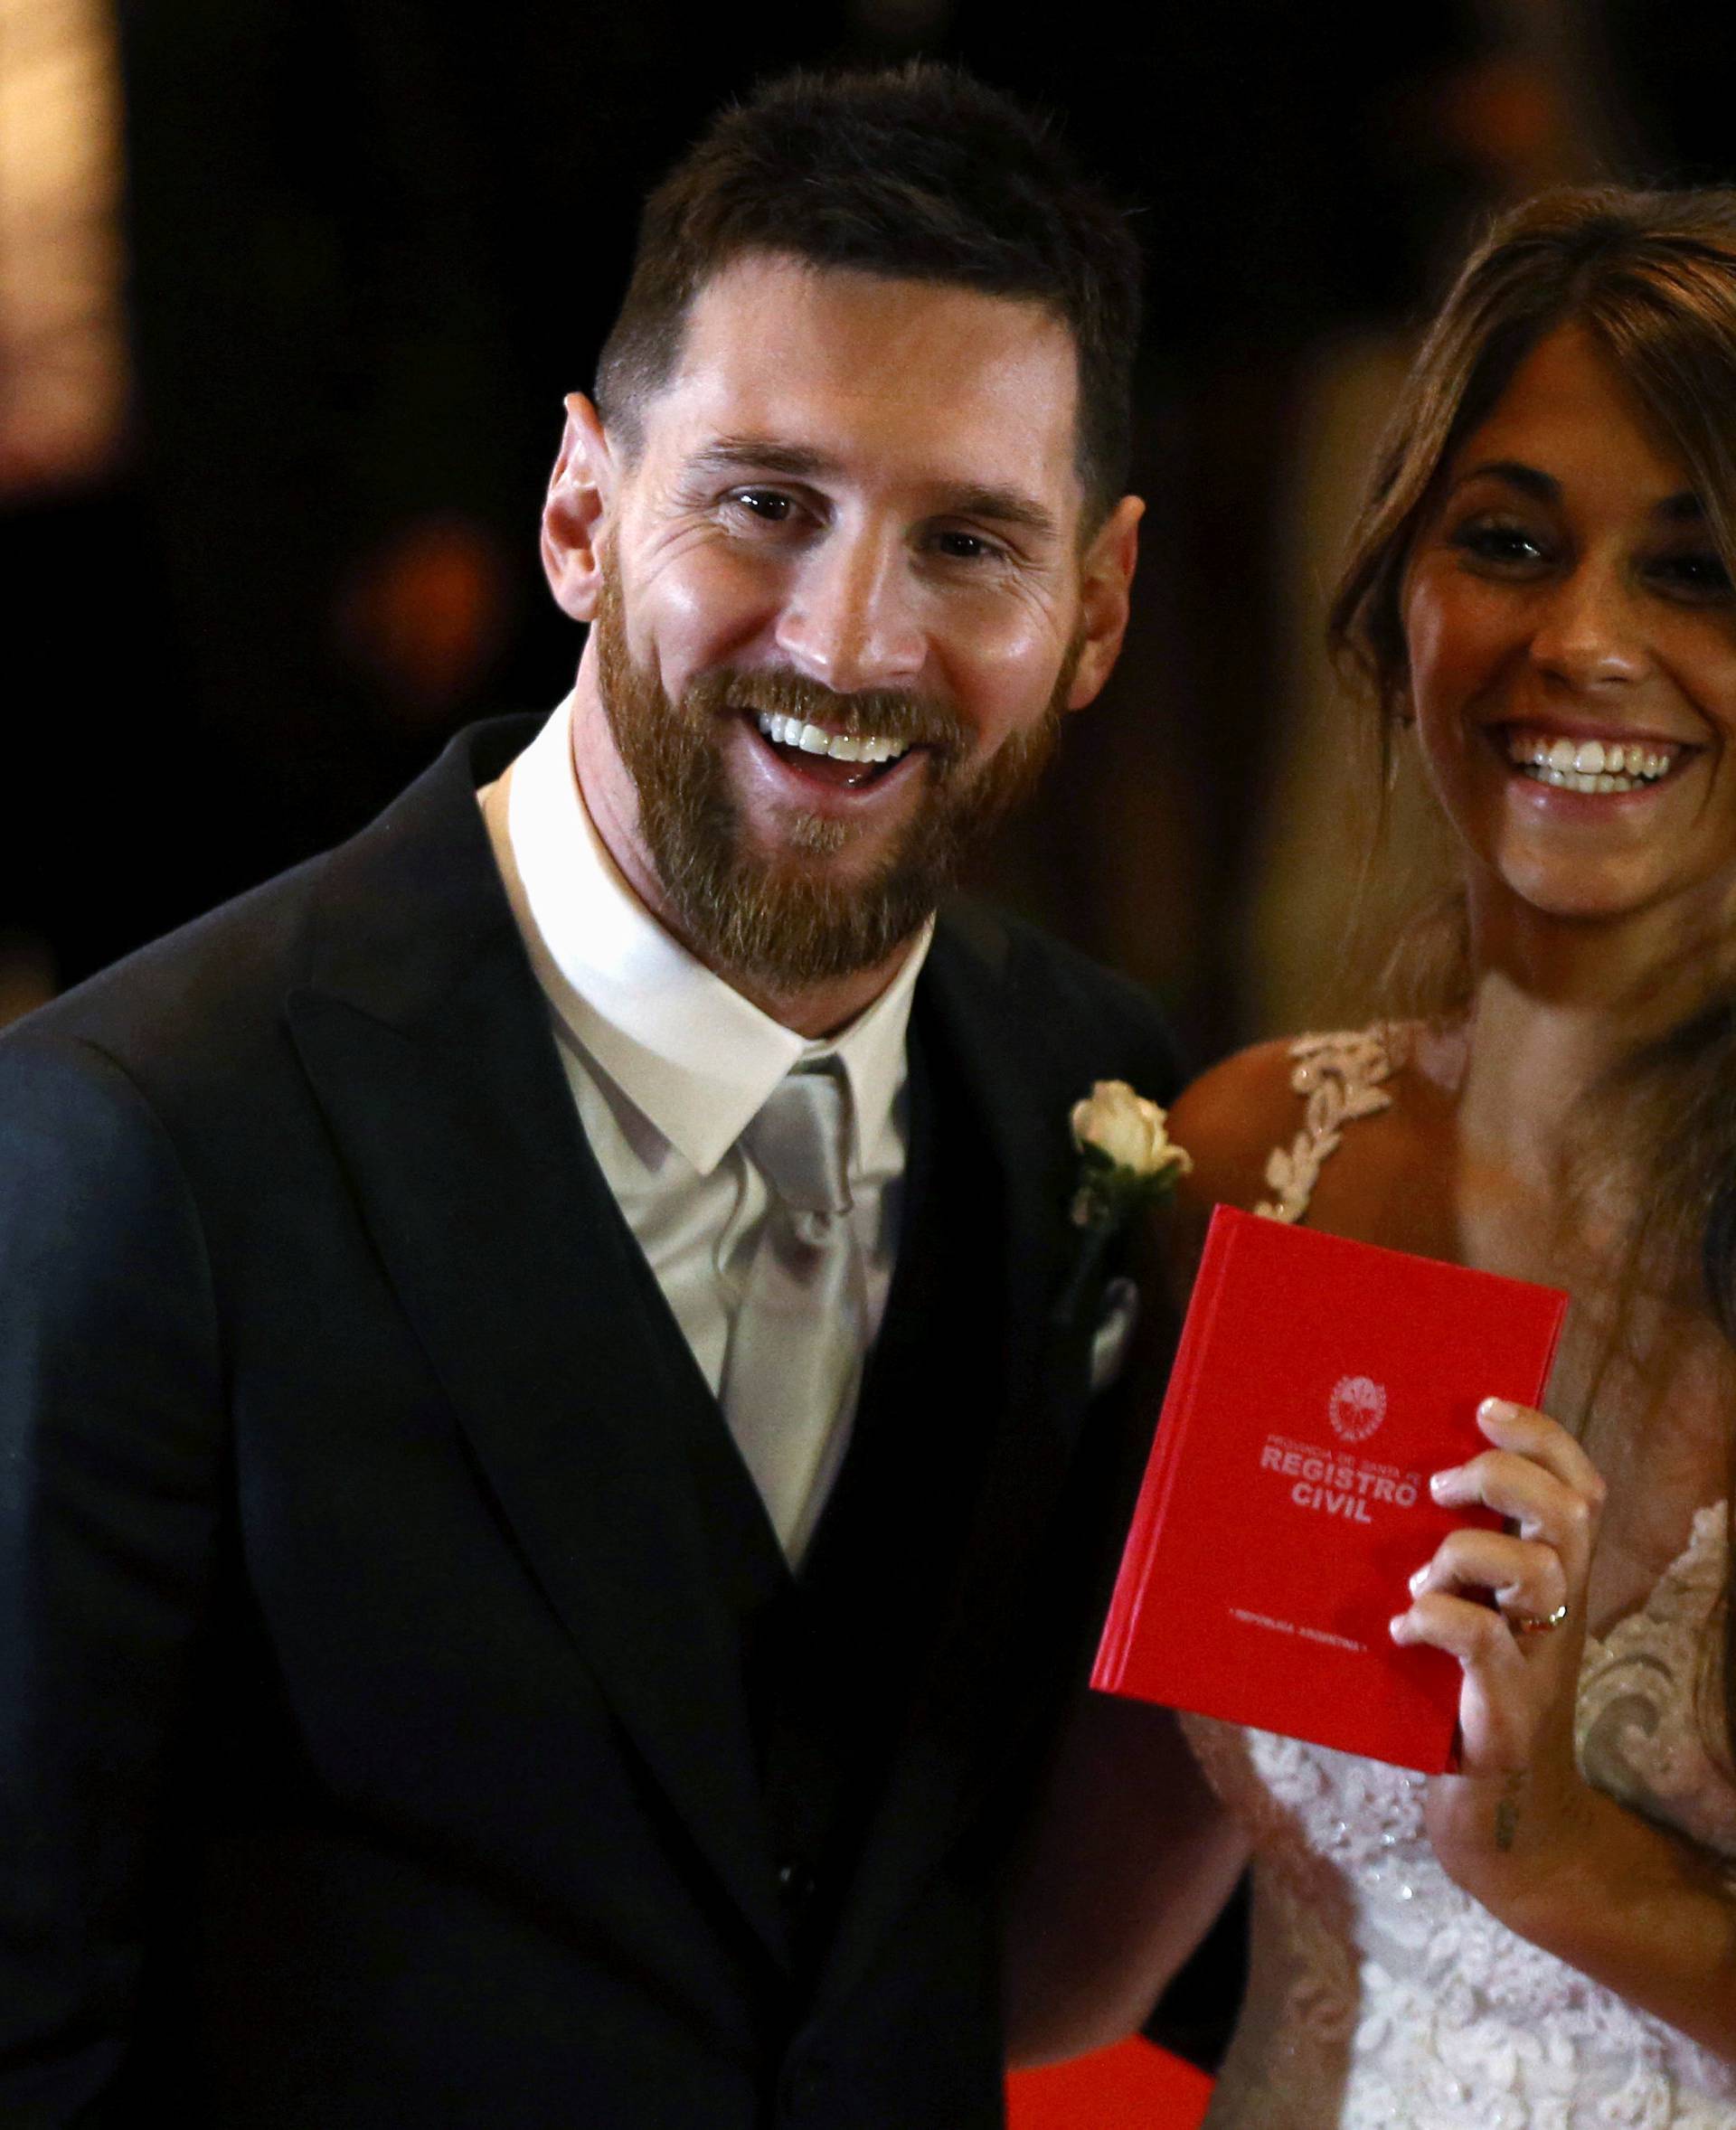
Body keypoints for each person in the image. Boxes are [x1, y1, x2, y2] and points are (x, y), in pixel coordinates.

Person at [0, 63, 1181, 2129]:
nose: (849, 637)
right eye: (764, 501)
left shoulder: (1110, 1097)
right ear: (575, 509)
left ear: (1096, 607)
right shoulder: (135, 1146)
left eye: (970, 541)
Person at [1006, 185, 1736, 2123]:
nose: (1580, 639)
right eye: (1508, 541)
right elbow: (1054, 1968)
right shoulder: (1261, 1164)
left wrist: (1559, 1856)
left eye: (1700, 572)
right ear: (1396, 593)